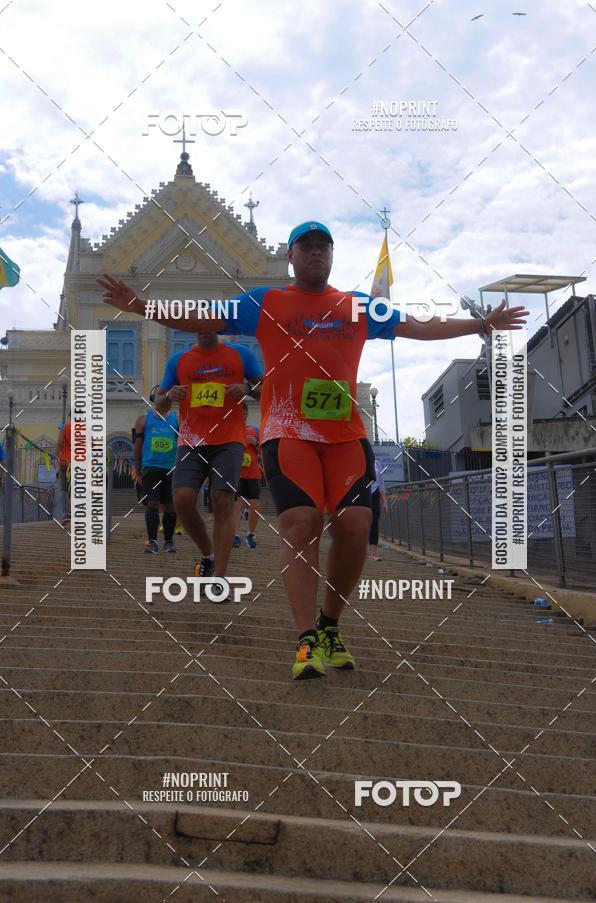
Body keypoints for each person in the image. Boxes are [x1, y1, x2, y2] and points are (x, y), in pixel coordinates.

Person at [98, 220, 528, 678]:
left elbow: (417, 325)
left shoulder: (356, 306)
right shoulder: (266, 301)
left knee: (355, 525)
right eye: (307, 248)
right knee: (301, 522)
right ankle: (306, 639)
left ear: (332, 256)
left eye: (324, 248)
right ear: (291, 256)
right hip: (288, 432)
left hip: (345, 435)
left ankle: (329, 626)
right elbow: (203, 315)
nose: (316, 254)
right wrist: (141, 306)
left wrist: (481, 324)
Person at [152, 330, 262, 601]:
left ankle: (219, 580)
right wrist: (170, 396)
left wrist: (247, 389)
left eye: (208, 320)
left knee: (222, 499)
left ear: (218, 324)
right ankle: (208, 555)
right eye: (195, 321)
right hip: (191, 440)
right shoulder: (179, 360)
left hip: (229, 439)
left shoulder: (241, 354)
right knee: (182, 499)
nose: (202, 325)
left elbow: (265, 389)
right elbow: (159, 407)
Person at [133, 390, 179, 553]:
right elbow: (137, 446)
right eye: (161, 395)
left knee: (171, 506)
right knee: (152, 503)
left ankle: (169, 541)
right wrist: (138, 471)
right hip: (151, 467)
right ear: (154, 399)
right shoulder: (144, 419)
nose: (165, 398)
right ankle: (152, 541)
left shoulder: (176, 419)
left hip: (171, 468)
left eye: (167, 394)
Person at [233, 402, 262, 549]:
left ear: (247, 414)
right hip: (236, 473)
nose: (242, 415)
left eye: (244, 412)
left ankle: (250, 533)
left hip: (252, 473)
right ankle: (236, 535)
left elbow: (261, 451)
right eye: (240, 412)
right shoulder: (231, 428)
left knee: (254, 504)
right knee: (236, 504)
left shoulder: (254, 429)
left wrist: (256, 443)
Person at [368, 457, 388, 561]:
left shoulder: (377, 463)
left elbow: (381, 484)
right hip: (361, 495)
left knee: (374, 523)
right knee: (360, 524)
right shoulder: (356, 460)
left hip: (374, 494)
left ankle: (373, 553)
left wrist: (384, 502)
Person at [55, 416, 71, 526]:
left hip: (65, 462)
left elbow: (60, 443)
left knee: (64, 488)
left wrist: (56, 454)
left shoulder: (65, 427)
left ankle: (66, 513)